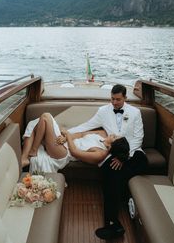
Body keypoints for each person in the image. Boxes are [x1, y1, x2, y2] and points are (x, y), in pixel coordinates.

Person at [68, 84, 148, 240]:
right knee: (110, 172)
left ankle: (113, 222)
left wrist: (123, 157)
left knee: (116, 175)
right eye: (112, 99)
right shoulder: (103, 111)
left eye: (118, 99)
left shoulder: (135, 113)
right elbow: (87, 125)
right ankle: (113, 223)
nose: (114, 102)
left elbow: (138, 138)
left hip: (134, 154)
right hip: (114, 154)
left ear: (125, 98)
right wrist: (67, 134)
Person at [21, 112, 129, 174]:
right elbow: (81, 134)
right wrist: (65, 138)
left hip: (63, 153)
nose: (113, 134)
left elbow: (74, 152)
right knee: (34, 122)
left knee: (45, 117)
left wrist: (67, 135)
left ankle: (33, 152)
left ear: (111, 146)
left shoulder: (100, 154)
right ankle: (24, 158)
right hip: (64, 143)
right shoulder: (102, 133)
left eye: (114, 137)